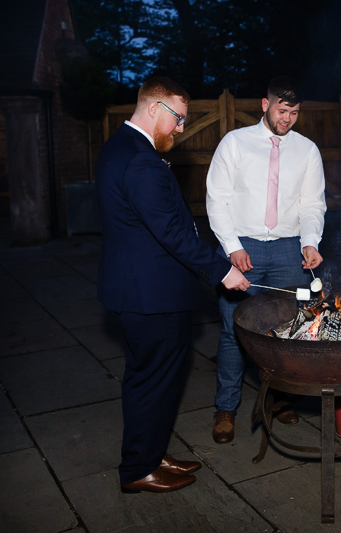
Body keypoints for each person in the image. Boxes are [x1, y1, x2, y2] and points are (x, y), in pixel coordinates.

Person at [96, 77, 250, 493]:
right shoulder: (141, 160)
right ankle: (138, 469)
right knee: (153, 382)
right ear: (153, 108)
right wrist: (223, 271)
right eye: (178, 118)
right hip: (151, 295)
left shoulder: (121, 147)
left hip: (138, 289)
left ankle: (150, 453)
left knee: (151, 380)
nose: (181, 128)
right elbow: (172, 233)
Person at [206, 75, 327, 444]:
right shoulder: (235, 143)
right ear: (265, 104)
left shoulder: (307, 150)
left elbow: (312, 203)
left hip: (289, 250)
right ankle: (226, 408)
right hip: (243, 247)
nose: (287, 118)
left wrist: (310, 242)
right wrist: (232, 246)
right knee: (233, 331)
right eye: (281, 109)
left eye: (294, 112)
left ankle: (278, 399)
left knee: (286, 331)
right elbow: (217, 199)